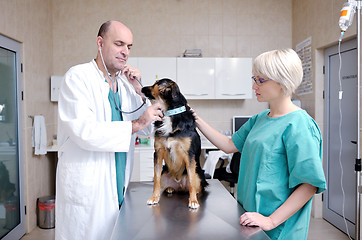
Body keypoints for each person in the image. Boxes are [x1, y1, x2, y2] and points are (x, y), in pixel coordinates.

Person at [194, 49, 326, 240]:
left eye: (261, 80)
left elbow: (309, 184)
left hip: (278, 227)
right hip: (250, 220)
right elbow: (229, 145)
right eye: (254, 78)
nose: (254, 86)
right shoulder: (260, 119)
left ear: (282, 81)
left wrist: (271, 221)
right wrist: (194, 118)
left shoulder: (300, 125)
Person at [56, 20, 163, 240]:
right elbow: (85, 132)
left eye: (129, 47)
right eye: (119, 44)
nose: (125, 52)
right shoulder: (78, 77)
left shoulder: (124, 85)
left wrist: (139, 90)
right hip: (89, 188)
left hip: (117, 184)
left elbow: (147, 128)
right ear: (100, 43)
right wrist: (138, 123)